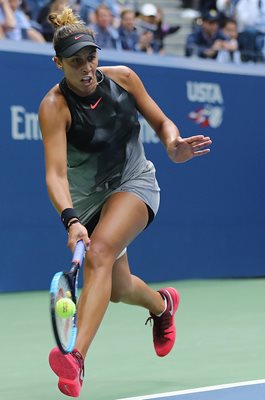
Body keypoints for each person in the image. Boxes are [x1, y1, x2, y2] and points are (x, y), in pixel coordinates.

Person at [39, 7, 212, 398]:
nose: (86, 69)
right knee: (116, 288)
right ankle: (162, 305)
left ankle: (76, 357)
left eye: (90, 58)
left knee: (99, 253)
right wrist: (71, 220)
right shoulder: (54, 107)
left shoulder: (124, 79)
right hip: (88, 201)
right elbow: (55, 174)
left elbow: (163, 122)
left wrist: (172, 144)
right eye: (75, 62)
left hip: (135, 182)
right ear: (58, 63)